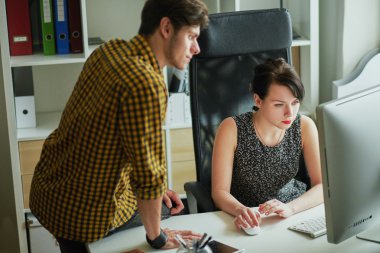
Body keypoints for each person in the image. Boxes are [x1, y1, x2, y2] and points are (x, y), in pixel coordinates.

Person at [29, 0, 208, 252]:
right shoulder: (146, 83)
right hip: (84, 215)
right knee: (173, 209)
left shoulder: (110, 49)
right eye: (191, 36)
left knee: (161, 198)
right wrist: (157, 237)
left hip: (49, 191)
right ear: (166, 27)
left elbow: (107, 143)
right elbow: (149, 176)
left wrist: (151, 194)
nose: (196, 48)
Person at [211, 58, 323, 231]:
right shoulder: (231, 129)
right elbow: (219, 192)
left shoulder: (305, 126)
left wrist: (290, 208)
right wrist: (241, 210)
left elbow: (322, 186)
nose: (290, 113)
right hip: (249, 217)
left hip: (293, 212)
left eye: (295, 103)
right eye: (279, 105)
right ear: (258, 100)